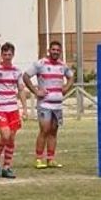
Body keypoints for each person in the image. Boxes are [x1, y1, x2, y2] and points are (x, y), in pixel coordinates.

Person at [24, 40, 73, 168]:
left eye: (58, 50)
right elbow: (26, 76)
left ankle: (51, 159)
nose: (55, 52)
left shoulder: (62, 65)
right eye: (53, 50)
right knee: (44, 130)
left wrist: (66, 87)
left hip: (57, 104)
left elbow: (71, 77)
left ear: (60, 52)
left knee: (54, 131)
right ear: (49, 50)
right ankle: (39, 158)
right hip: (45, 103)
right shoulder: (41, 63)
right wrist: (35, 91)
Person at [0, 42, 26, 178]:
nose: (7, 57)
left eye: (10, 54)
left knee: (12, 139)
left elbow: (21, 90)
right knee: (5, 135)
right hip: (0, 108)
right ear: (1, 55)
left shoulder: (17, 71)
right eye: (5, 54)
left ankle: (7, 167)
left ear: (13, 55)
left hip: (13, 108)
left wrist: (24, 108)